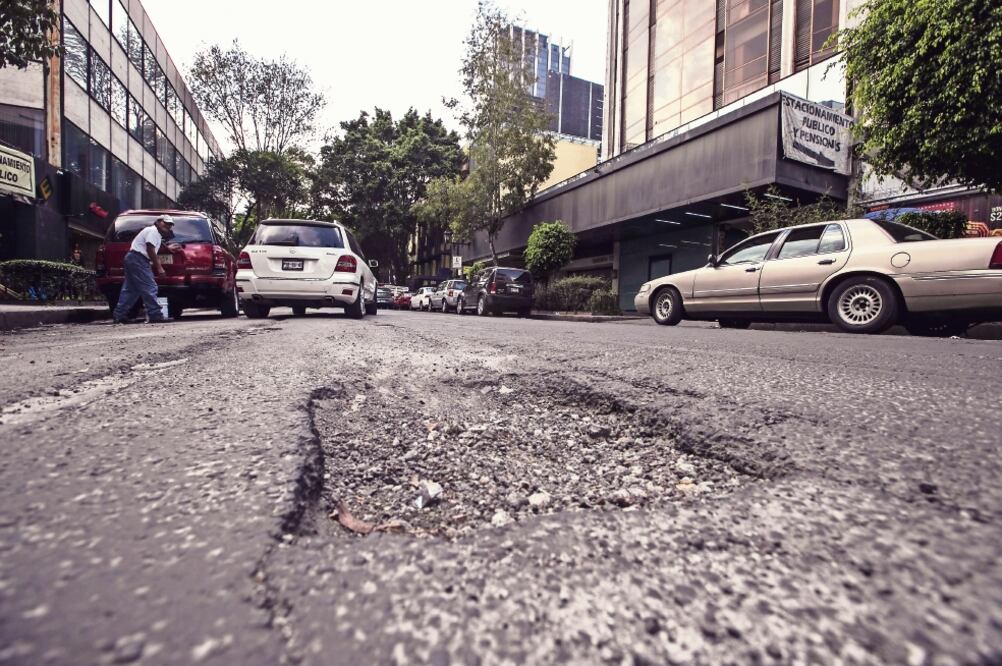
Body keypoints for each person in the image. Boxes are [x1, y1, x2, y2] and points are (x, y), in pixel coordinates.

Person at [113, 215, 178, 324]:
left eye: (170, 224)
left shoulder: (155, 233)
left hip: (133, 258)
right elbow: (150, 249)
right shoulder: (152, 231)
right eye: (165, 222)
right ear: (158, 222)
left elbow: (155, 245)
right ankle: (155, 315)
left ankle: (119, 315)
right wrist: (159, 267)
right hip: (138, 259)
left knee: (131, 289)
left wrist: (168, 249)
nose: (168, 225)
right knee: (150, 286)